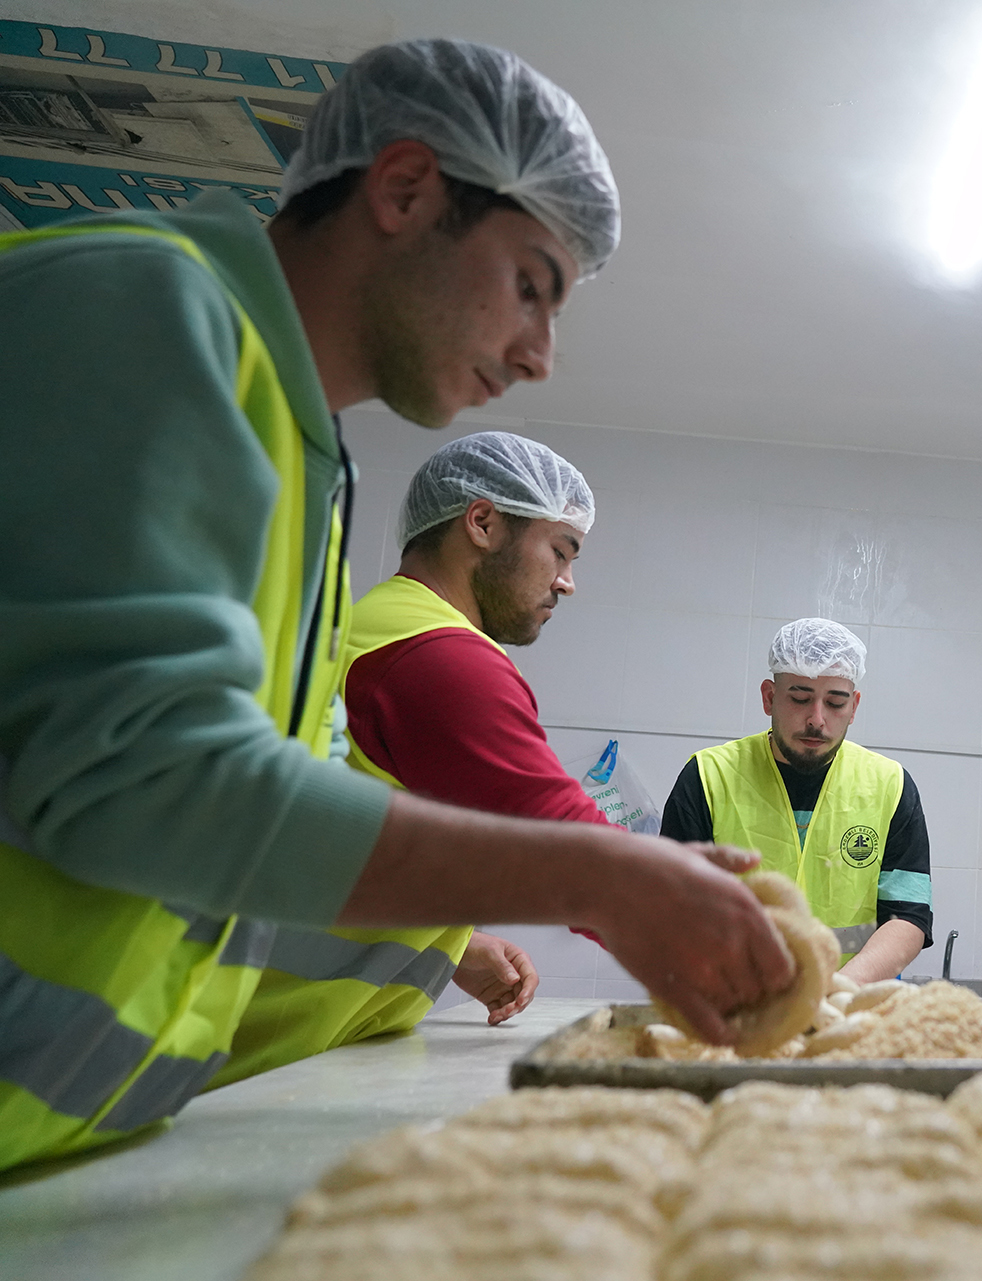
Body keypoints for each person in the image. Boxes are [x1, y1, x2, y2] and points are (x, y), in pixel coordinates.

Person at [0, 38, 790, 1172]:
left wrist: (459, 932)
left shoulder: (305, 467)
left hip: (67, 1137)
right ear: (406, 188)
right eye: (532, 285)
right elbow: (151, 785)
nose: (541, 356)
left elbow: (277, 802)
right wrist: (610, 878)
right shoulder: (142, 305)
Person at [217, 431, 610, 1086]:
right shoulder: (438, 656)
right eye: (560, 550)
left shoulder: (379, 622)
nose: (567, 583)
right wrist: (745, 951)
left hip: (272, 1037)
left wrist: (449, 942)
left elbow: (345, 839)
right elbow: (581, 860)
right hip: (263, 1052)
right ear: (482, 522)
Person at [660, 620, 933, 983]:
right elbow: (671, 910)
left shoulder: (890, 785)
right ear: (769, 697)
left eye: (835, 703)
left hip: (853, 1008)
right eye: (800, 698)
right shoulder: (709, 777)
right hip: (736, 1007)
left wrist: (838, 991)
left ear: (854, 707)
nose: (816, 720)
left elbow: (909, 918)